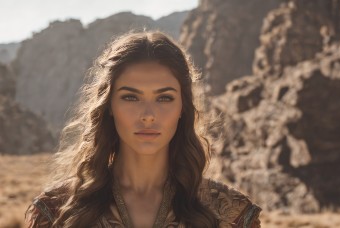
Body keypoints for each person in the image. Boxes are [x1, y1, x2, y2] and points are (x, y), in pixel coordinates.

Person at [25, 30, 261, 227]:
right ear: (109, 106)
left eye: (164, 98)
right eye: (130, 98)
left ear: (182, 108)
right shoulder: (56, 212)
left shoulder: (232, 214)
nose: (148, 115)